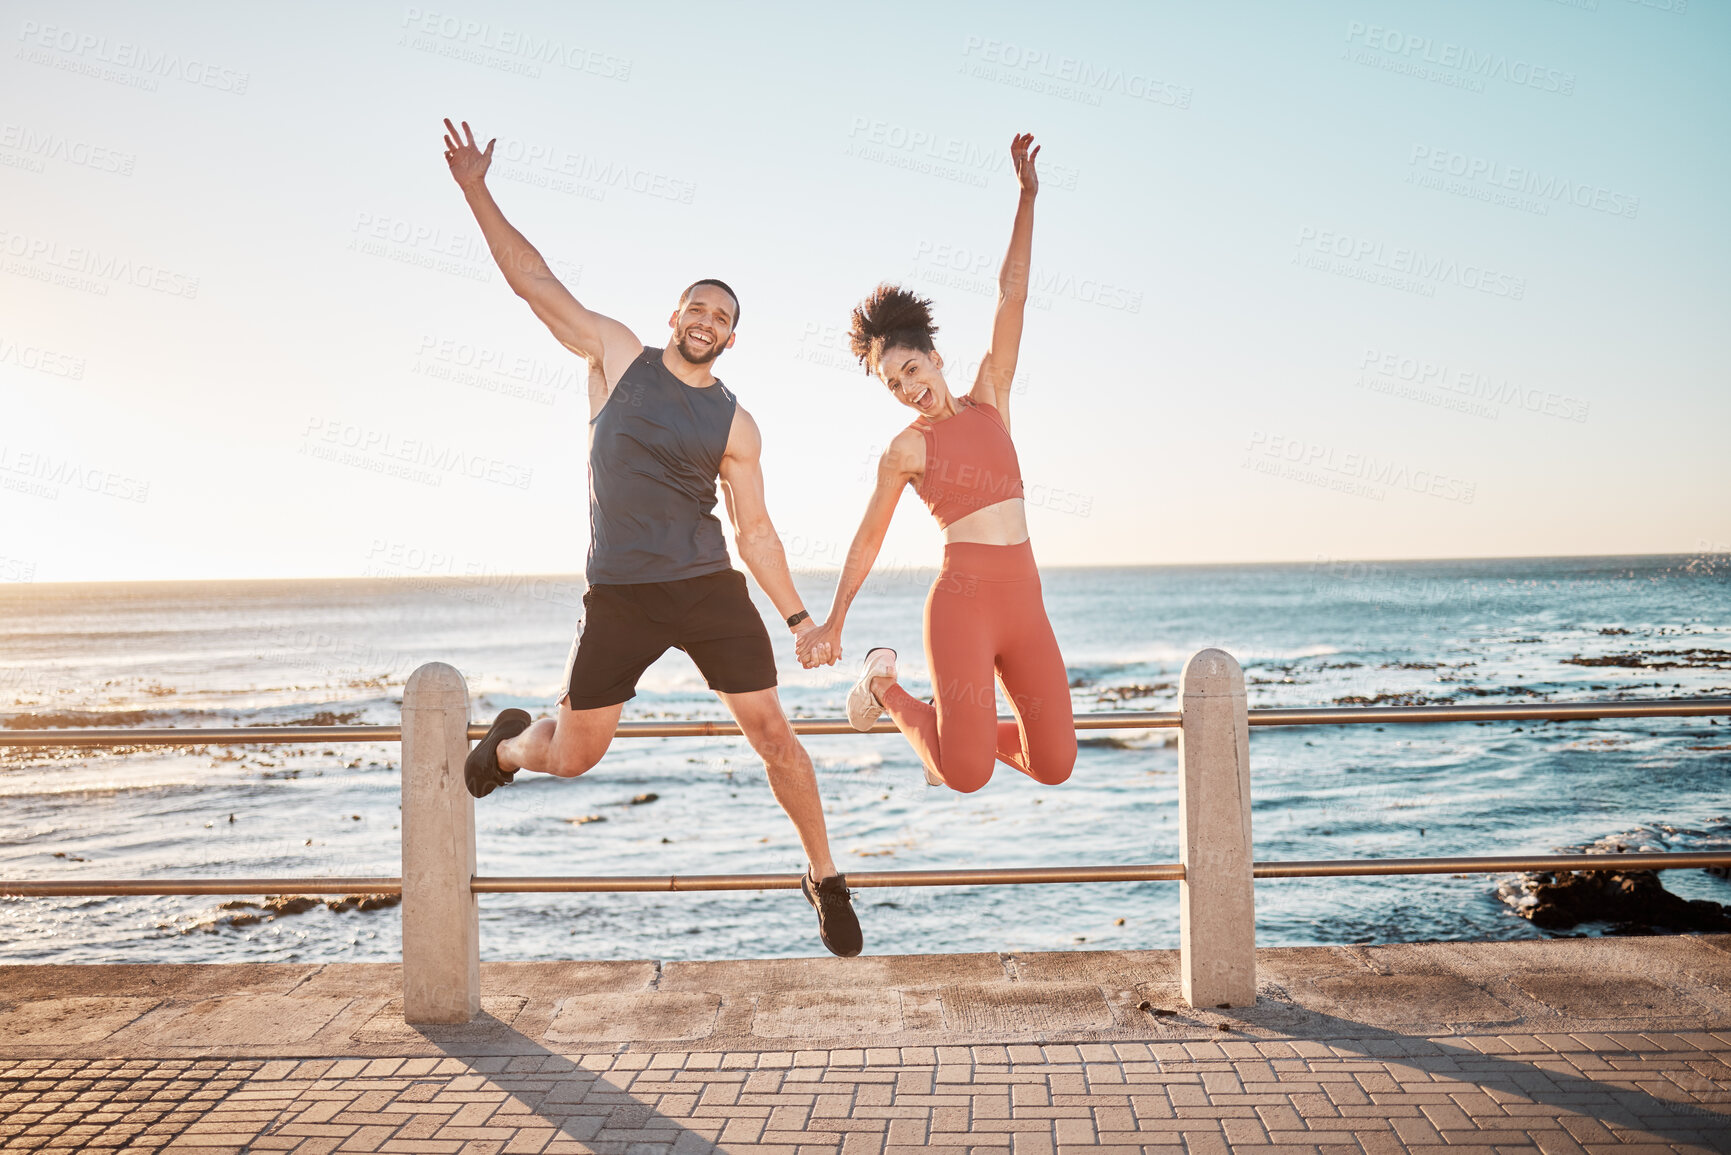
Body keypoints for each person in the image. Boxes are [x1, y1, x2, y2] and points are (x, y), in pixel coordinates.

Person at [439, 118, 861, 957]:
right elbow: (533, 281)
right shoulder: (615, 355)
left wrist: (801, 620)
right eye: (697, 305)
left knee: (776, 733)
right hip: (622, 593)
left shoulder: (737, 422)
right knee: (576, 756)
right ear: (675, 313)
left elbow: (757, 531)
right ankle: (514, 745)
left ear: (733, 336)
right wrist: (475, 189)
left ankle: (824, 875)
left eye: (722, 315)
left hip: (707, 587)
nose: (706, 319)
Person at [797, 134, 1076, 794]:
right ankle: (882, 683)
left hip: (1024, 600)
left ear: (935, 357)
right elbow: (869, 536)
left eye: (911, 369)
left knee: (1055, 761)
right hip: (962, 604)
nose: (905, 387)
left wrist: (1027, 198)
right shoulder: (906, 450)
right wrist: (835, 618)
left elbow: (1013, 297)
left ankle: (947, 725)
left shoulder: (990, 398)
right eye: (891, 383)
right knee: (963, 771)